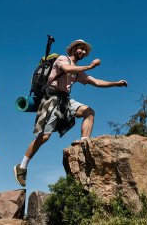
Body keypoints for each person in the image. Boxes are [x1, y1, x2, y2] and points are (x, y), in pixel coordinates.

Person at [14, 39, 128, 187]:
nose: (84, 52)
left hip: (65, 100)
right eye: (81, 49)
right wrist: (90, 66)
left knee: (89, 112)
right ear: (73, 48)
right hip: (52, 98)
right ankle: (22, 167)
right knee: (44, 136)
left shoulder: (78, 70)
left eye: (85, 51)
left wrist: (115, 84)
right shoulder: (62, 59)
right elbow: (67, 69)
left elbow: (96, 82)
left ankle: (84, 142)